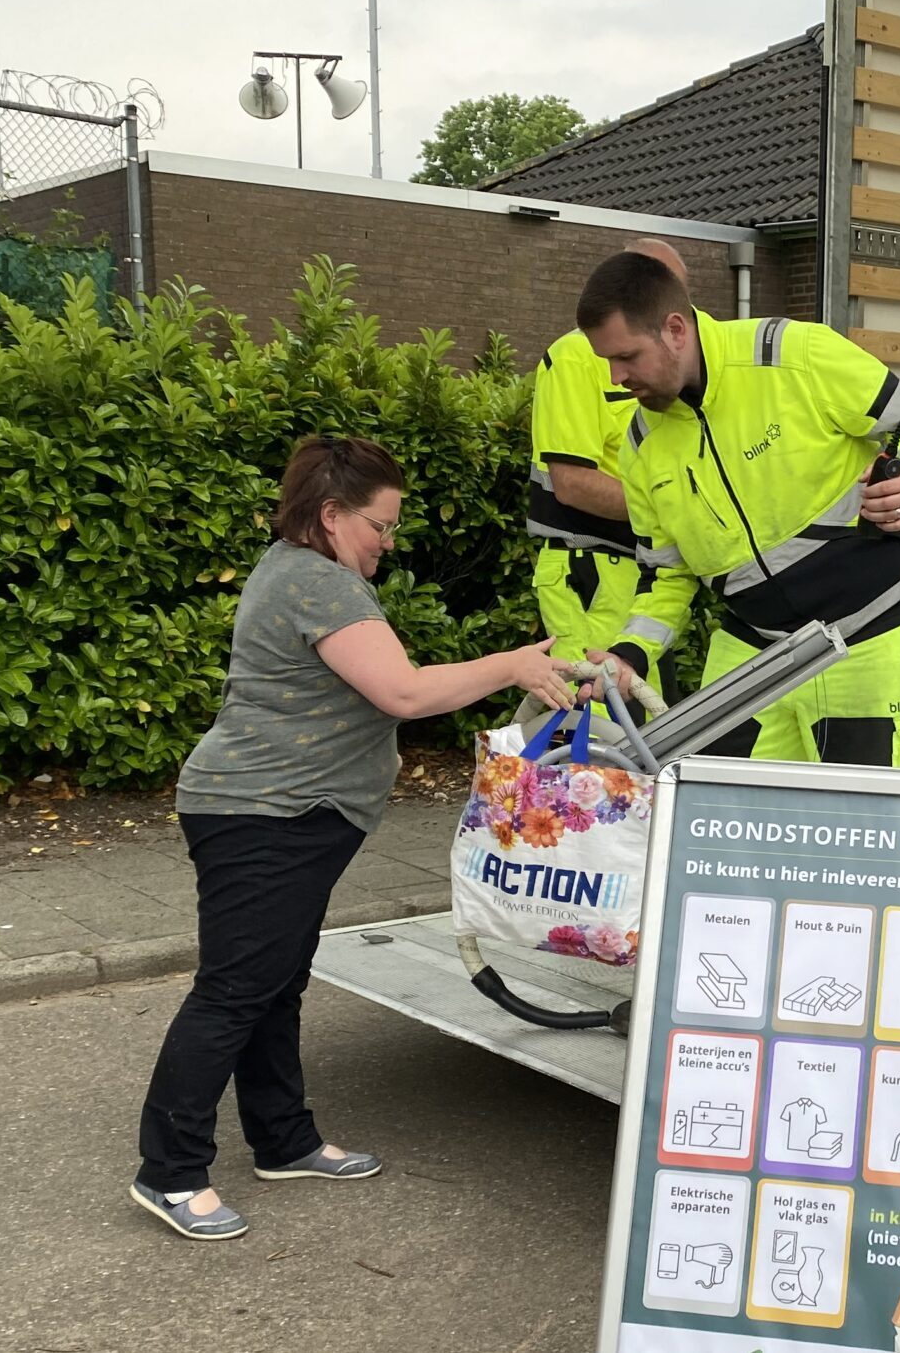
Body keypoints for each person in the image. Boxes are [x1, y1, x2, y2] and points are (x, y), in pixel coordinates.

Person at [132, 434, 575, 1241]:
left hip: (283, 811)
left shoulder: (301, 572)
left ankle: (284, 1140)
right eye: (382, 524)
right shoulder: (317, 583)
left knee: (274, 982)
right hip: (262, 813)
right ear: (331, 515)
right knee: (236, 989)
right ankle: (169, 1170)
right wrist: (511, 664)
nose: (389, 541)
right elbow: (403, 691)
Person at [574, 249, 900, 768]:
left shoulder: (795, 354)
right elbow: (665, 576)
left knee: (870, 835)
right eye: (607, 361)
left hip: (873, 632)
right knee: (725, 822)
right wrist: (630, 656)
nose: (616, 377)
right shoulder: (641, 443)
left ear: (675, 330)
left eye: (627, 356)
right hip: (756, 650)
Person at [525, 238, 691, 713]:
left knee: (646, 729)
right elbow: (572, 483)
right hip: (591, 571)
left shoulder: (671, 369)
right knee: (598, 729)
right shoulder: (576, 357)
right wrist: (676, 510)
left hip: (643, 573)